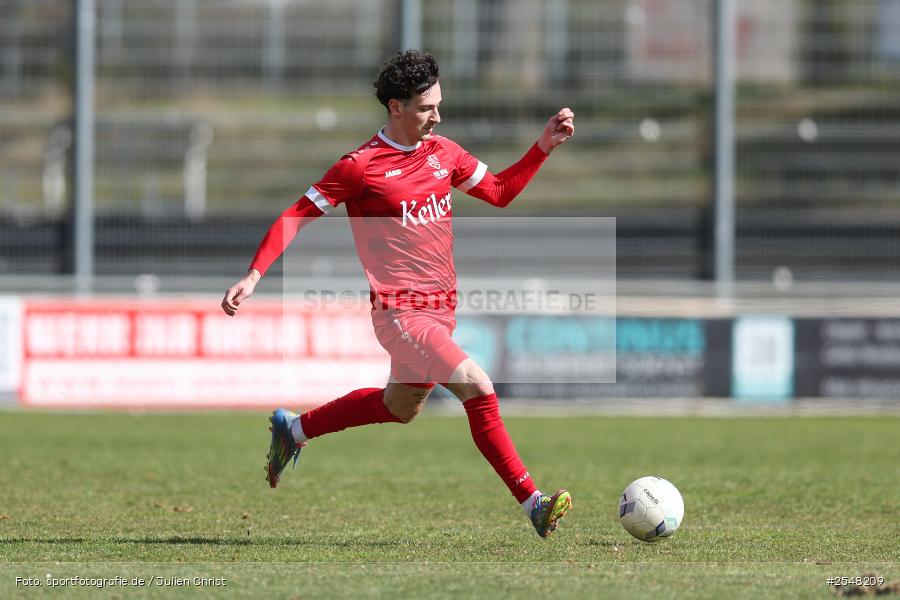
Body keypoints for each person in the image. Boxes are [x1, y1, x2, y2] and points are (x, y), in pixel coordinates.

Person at [221, 50, 575, 538]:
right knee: (478, 385)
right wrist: (254, 274)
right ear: (396, 108)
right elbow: (296, 214)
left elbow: (498, 191)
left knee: (399, 408)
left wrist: (541, 147)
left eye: (439, 105)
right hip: (401, 315)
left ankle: (294, 431)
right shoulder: (360, 167)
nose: (438, 116)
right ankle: (533, 502)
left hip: (440, 312)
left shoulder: (444, 153)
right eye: (427, 108)